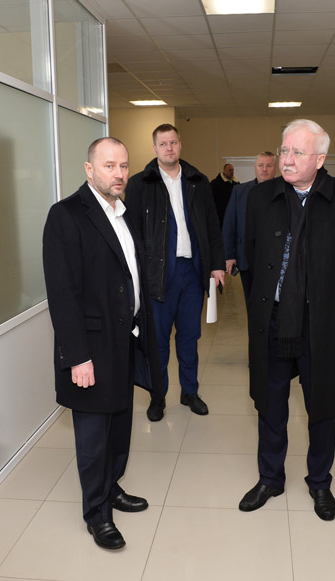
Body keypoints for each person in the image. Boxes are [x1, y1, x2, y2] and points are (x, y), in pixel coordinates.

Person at [238, 119, 335, 521]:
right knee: (270, 404)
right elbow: (251, 254)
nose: (287, 159)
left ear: (320, 158)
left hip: (322, 323)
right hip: (274, 319)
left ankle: (319, 482)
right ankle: (270, 478)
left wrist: (327, 299)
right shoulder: (260, 198)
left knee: (321, 406)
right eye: (284, 150)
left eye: (298, 152)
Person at [42, 137, 160, 550]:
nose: (119, 174)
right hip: (90, 348)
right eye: (109, 166)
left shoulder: (124, 214)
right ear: (89, 169)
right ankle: (97, 514)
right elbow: (62, 294)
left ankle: (112, 488)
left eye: (124, 166)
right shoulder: (67, 215)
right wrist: (78, 357)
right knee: (93, 438)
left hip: (124, 341)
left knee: (120, 427)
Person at [125, 124, 225, 421]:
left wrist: (216, 264)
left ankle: (190, 392)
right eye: (163, 144)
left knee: (189, 337)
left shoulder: (198, 181)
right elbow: (132, 233)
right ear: (154, 148)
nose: (169, 148)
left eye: (173, 142)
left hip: (191, 272)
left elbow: (212, 225)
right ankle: (158, 397)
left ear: (180, 145)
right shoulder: (139, 184)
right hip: (157, 275)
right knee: (157, 342)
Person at [223, 151, 277, 300]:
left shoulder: (285, 191)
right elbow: (229, 225)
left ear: (275, 168)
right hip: (246, 258)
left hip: (275, 259)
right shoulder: (239, 191)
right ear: (255, 167)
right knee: (251, 301)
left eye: (269, 165)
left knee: (273, 303)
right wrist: (229, 256)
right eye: (260, 165)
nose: (264, 169)